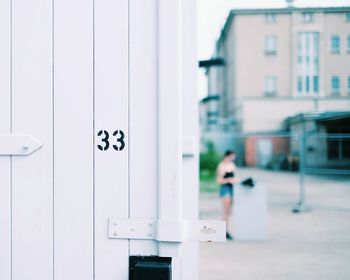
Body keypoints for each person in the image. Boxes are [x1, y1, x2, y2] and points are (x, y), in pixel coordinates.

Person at [216, 150, 239, 240]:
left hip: (232, 188)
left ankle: (225, 230)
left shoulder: (232, 165)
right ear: (227, 156)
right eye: (232, 157)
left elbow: (235, 177)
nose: (233, 158)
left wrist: (234, 180)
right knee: (226, 211)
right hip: (225, 188)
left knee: (228, 212)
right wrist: (228, 180)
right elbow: (219, 180)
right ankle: (223, 231)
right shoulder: (221, 166)